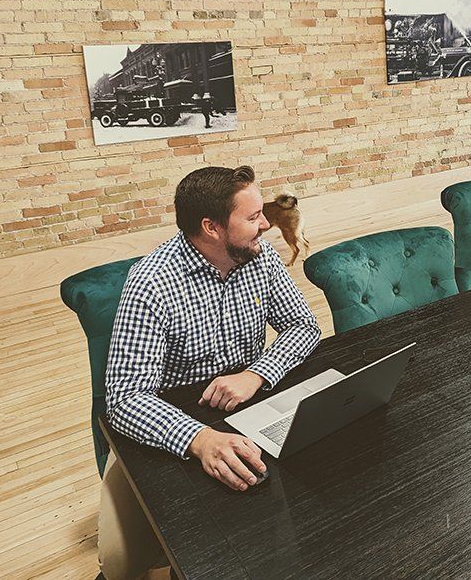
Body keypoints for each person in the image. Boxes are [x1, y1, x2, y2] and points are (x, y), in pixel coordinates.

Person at [98, 165, 321, 580]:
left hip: (249, 408)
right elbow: (125, 398)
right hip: (171, 425)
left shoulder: (262, 257)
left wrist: (257, 373)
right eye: (253, 217)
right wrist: (198, 439)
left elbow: (304, 327)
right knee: (126, 561)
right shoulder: (152, 281)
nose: (267, 224)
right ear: (212, 227)